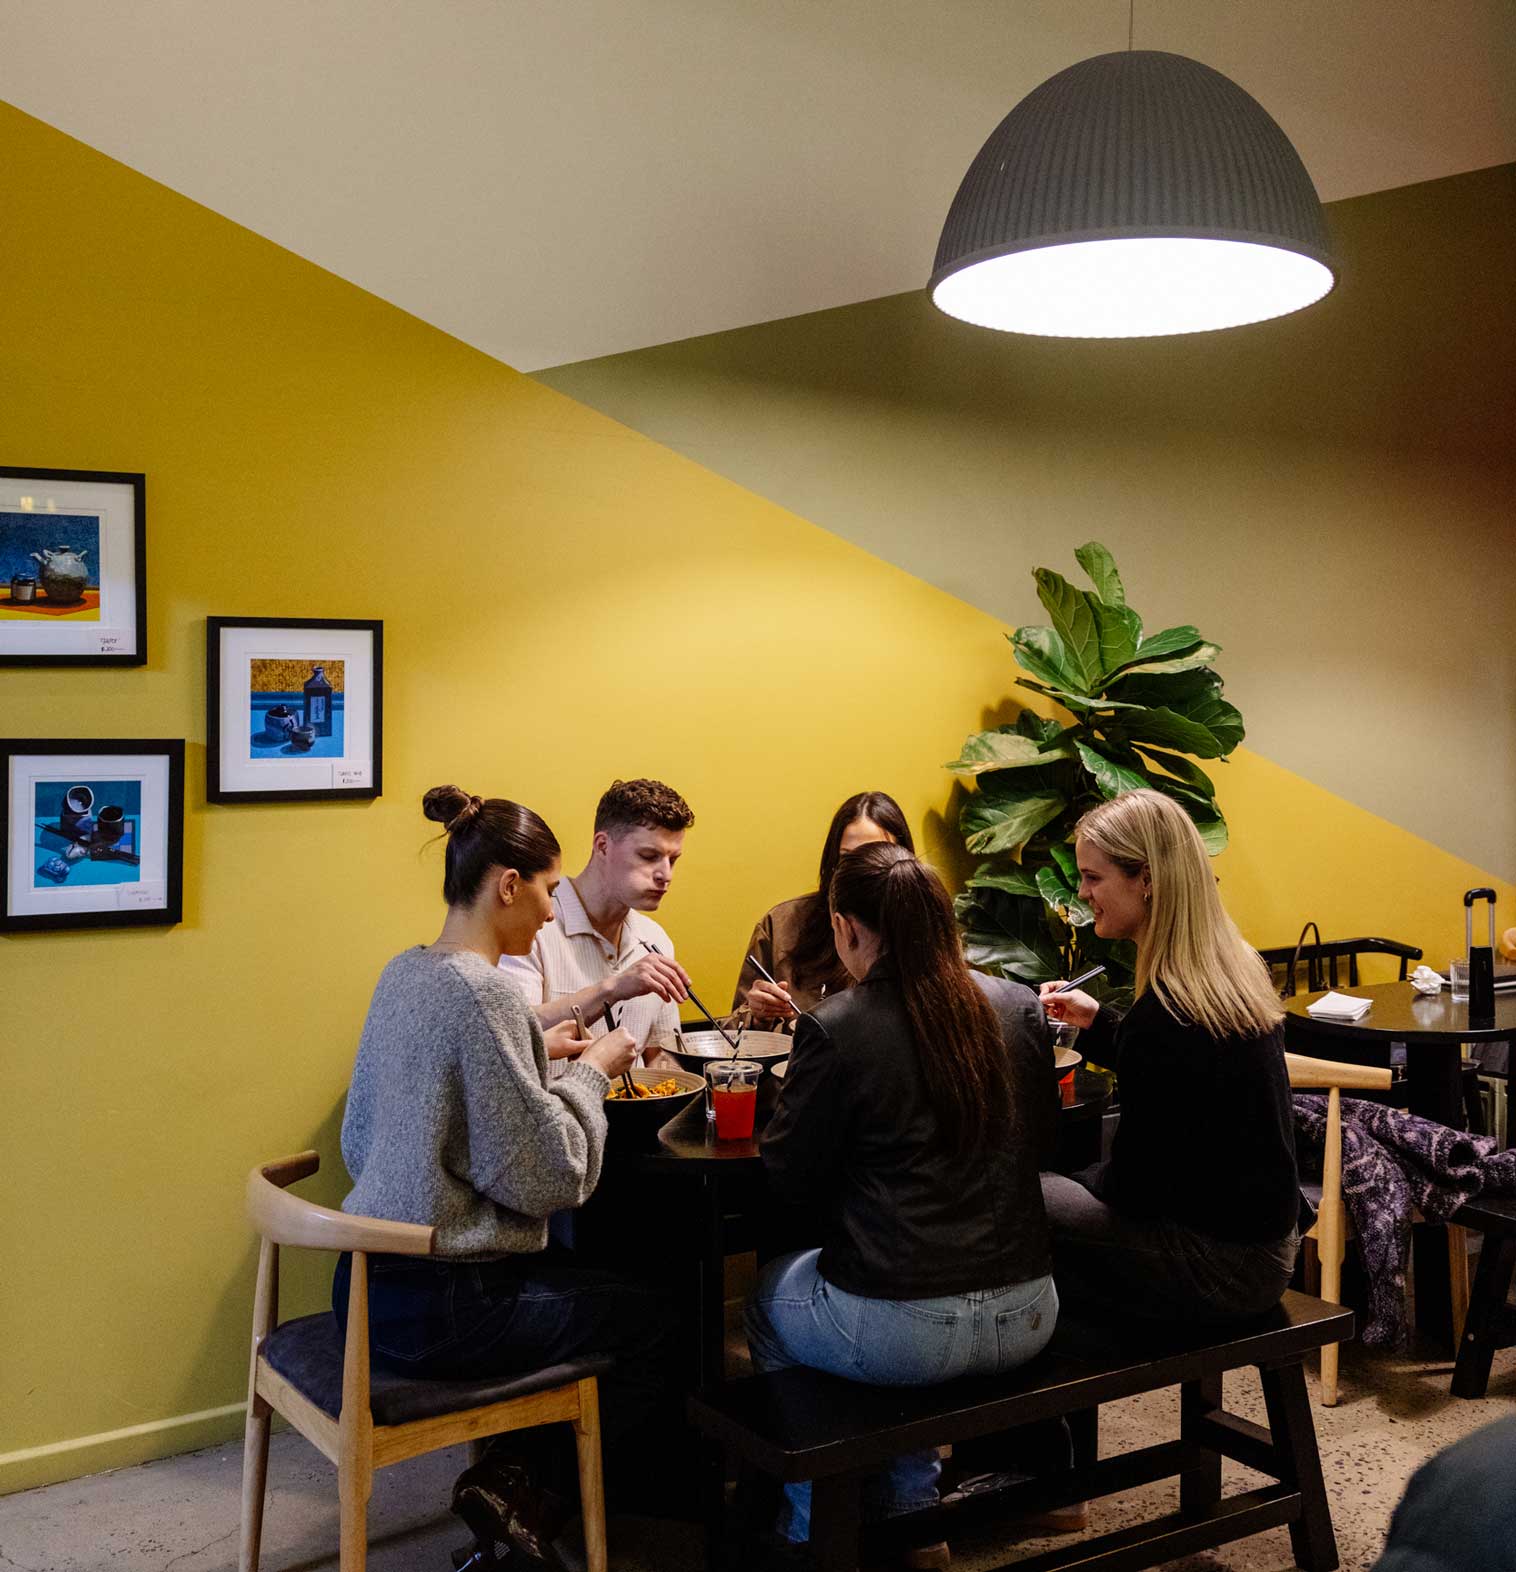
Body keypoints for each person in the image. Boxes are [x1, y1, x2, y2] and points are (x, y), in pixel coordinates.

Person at [336, 784, 679, 1567]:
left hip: (364, 1292)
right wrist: (593, 1069)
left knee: (587, 1284)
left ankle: (513, 1488)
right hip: (448, 1308)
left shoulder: (407, 972)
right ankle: (528, 1493)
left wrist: (534, 1055)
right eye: (550, 890)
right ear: (509, 886)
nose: (553, 911)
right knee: (653, 1317)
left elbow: (364, 1136)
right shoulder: (486, 990)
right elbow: (552, 1178)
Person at [745, 842, 1059, 1563]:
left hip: (907, 1333)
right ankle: (913, 1508)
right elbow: (1043, 1144)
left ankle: (810, 1527)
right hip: (1029, 1312)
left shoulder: (836, 1025)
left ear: (846, 927)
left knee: (768, 1302)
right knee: (875, 1311)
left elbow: (789, 1176)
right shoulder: (1017, 1006)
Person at [1039, 788, 1301, 1324]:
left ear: (1147, 879)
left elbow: (1134, 1189)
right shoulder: (1228, 969)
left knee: (1024, 1197)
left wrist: (1074, 1178)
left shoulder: (1163, 1013)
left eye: (1093, 877)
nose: (1083, 893)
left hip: (1222, 1267)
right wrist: (1097, 1023)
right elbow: (1180, 1068)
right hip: (1270, 1250)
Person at [500, 777, 695, 1064]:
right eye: (648, 856)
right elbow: (507, 1036)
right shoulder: (534, 926)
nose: (666, 875)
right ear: (602, 846)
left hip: (637, 1095)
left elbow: (661, 1057)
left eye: (673, 860)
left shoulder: (656, 940)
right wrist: (613, 989)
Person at [732, 789, 915, 1023]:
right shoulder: (782, 925)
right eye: (847, 859)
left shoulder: (926, 928)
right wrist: (756, 1014)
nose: (858, 874)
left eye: (874, 856)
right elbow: (732, 1033)